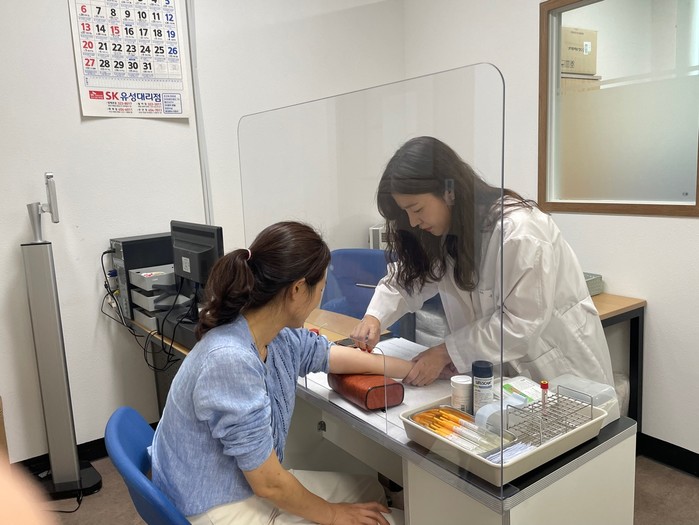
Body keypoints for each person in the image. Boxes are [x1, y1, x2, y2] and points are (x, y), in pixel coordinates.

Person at [151, 221, 409, 525]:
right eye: (322, 288)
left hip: (241, 480)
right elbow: (269, 484)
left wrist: (409, 367)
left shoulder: (271, 332)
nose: (321, 297)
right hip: (213, 502)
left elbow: (326, 354)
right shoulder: (230, 360)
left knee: (370, 492)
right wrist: (334, 514)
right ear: (297, 290)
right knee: (383, 520)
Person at [350, 136, 614, 389]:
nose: (413, 222)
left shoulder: (519, 233)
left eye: (417, 209)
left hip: (559, 373)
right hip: (499, 383)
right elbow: (410, 279)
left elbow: (521, 325)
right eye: (405, 212)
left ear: (448, 191)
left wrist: (445, 352)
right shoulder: (445, 234)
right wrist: (375, 317)